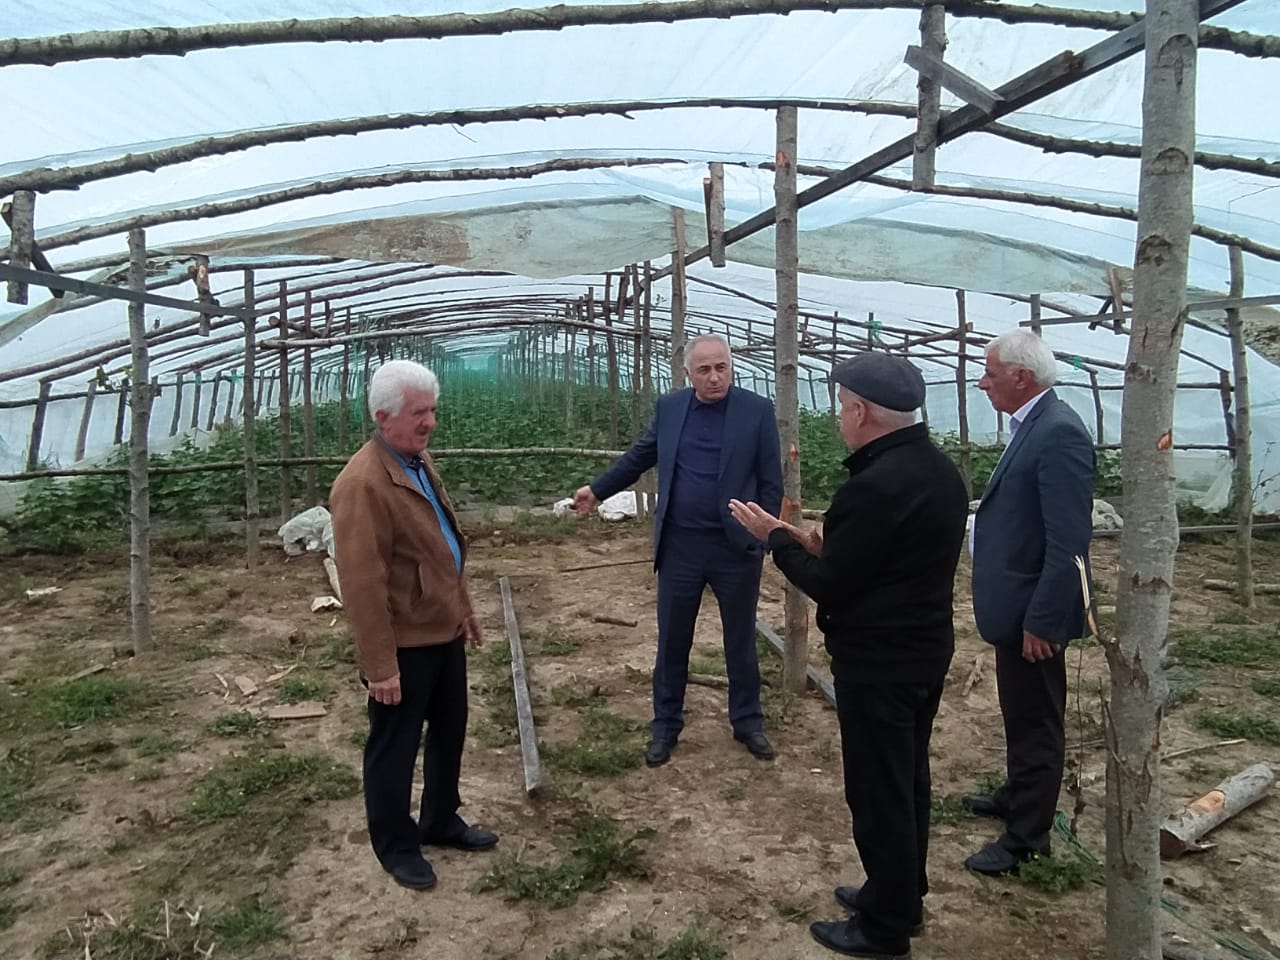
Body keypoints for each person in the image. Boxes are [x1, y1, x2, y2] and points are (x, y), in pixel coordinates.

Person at [730, 352, 968, 960]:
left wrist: (775, 540)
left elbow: (832, 584)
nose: (839, 418)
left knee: (878, 792)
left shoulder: (875, 486)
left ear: (861, 412)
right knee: (907, 780)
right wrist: (814, 542)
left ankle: (883, 929)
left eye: (841, 408)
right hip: (923, 651)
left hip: (878, 662)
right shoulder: (940, 472)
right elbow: (885, 562)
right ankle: (901, 895)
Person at [572, 333, 783, 766]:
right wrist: (597, 490)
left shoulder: (756, 411)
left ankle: (747, 721)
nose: (715, 377)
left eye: (721, 367)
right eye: (704, 369)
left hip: (734, 548)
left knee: (740, 639)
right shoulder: (671, 408)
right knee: (672, 641)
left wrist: (760, 537)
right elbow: (640, 456)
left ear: (731, 366)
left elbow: (770, 481)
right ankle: (665, 725)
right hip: (681, 546)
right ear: (688, 373)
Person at [330, 359, 497, 892]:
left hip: (441, 630)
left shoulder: (416, 461)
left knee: (449, 730)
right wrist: (380, 665)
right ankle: (397, 846)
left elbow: (442, 546)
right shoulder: (363, 484)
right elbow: (362, 584)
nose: (430, 422)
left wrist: (463, 607)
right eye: (419, 413)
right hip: (404, 642)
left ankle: (440, 819)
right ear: (384, 417)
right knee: (395, 747)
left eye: (432, 410)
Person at [963, 329, 1095, 877]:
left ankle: (1026, 839)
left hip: (1033, 613)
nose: (982, 382)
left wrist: (1043, 619)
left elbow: (1069, 541)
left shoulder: (1058, 433)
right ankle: (1019, 794)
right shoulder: (1034, 425)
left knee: (1038, 720)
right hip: (1015, 606)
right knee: (1020, 711)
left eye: (990, 373)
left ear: (1021, 377)